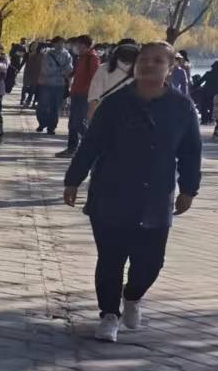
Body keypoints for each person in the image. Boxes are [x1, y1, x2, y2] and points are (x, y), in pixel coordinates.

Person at [63, 43, 201, 343]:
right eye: (144, 59)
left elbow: (191, 151)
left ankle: (133, 295)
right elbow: (91, 144)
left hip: (155, 197)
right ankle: (109, 315)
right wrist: (73, 180)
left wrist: (189, 189)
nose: (149, 64)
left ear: (171, 68)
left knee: (150, 263)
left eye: (157, 60)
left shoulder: (182, 107)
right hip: (110, 193)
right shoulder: (115, 103)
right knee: (110, 259)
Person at [59, 34, 99, 158]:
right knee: (72, 124)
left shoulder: (92, 58)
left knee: (79, 123)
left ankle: (93, 146)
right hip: (76, 93)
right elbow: (77, 72)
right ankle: (72, 149)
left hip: (84, 95)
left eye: (78, 45)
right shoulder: (82, 57)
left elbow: (95, 79)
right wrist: (70, 75)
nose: (76, 47)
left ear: (85, 45)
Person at [85, 40, 139, 126]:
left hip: (106, 115)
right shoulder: (143, 70)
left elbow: (94, 98)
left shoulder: (103, 68)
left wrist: (91, 120)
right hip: (132, 118)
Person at [36, 35, 73, 134]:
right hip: (46, 84)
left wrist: (57, 71)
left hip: (60, 85)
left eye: (62, 43)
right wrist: (61, 71)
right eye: (58, 43)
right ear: (54, 44)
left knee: (55, 107)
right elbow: (46, 70)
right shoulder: (48, 55)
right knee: (43, 105)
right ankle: (42, 123)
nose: (60, 45)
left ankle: (51, 127)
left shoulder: (67, 55)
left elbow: (69, 69)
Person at [197, 59, 218, 138]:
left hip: (207, 96)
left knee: (206, 106)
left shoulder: (208, 74)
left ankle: (207, 121)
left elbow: (199, 82)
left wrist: (195, 87)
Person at [21, 39, 46, 108]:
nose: (34, 47)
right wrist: (18, 69)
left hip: (37, 73)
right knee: (25, 86)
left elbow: (43, 64)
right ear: (30, 46)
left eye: (35, 46)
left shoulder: (41, 55)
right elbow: (23, 62)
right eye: (32, 45)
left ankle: (29, 101)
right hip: (28, 72)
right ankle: (23, 99)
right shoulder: (27, 54)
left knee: (33, 88)